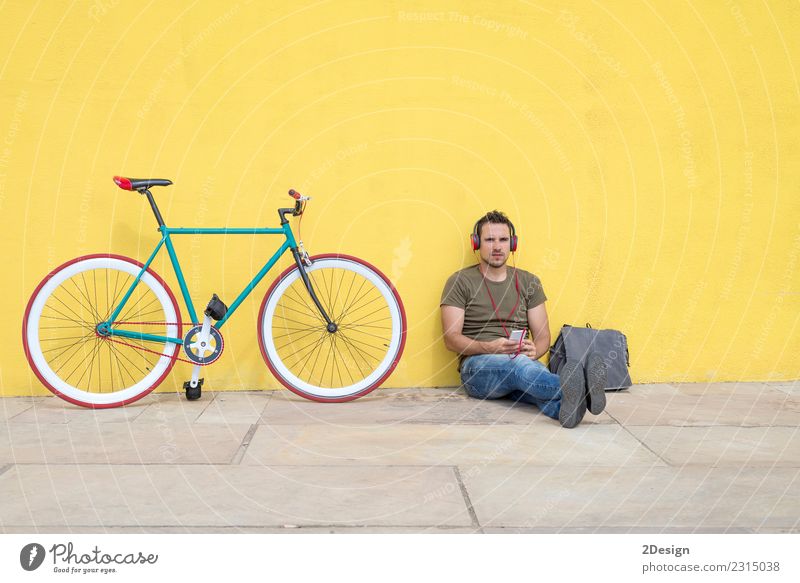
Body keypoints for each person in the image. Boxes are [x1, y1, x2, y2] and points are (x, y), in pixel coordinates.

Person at [440, 210, 607, 428]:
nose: (497, 246)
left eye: (503, 239)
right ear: (476, 243)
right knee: (521, 366)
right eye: (490, 240)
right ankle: (585, 389)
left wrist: (534, 351)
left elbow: (543, 336)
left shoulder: (529, 282)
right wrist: (490, 347)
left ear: (513, 244)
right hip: (477, 368)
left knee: (528, 377)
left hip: (523, 364)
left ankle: (565, 410)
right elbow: (450, 339)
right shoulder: (460, 281)